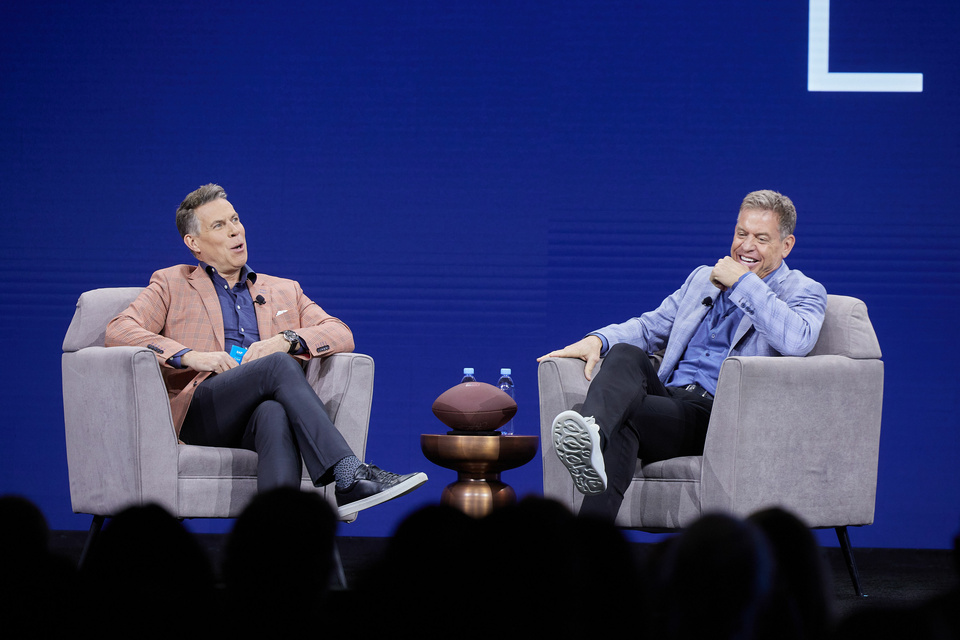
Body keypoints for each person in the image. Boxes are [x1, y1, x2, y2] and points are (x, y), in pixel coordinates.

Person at [106, 184, 427, 517]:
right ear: (194, 244)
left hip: (254, 414)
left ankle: (274, 544)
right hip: (201, 409)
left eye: (235, 219)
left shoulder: (284, 290)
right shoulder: (172, 283)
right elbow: (119, 330)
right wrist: (190, 356)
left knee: (273, 412)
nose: (235, 230)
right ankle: (348, 474)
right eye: (219, 226)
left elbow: (340, 332)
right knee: (277, 366)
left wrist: (286, 339)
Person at [538, 190, 826, 521]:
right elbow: (649, 328)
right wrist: (598, 340)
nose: (747, 246)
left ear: (786, 245)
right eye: (741, 233)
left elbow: (797, 340)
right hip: (670, 400)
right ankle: (592, 436)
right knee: (625, 354)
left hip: (718, 416)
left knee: (626, 418)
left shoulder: (801, 291)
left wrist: (743, 284)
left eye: (761, 238)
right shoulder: (702, 280)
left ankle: (585, 549)